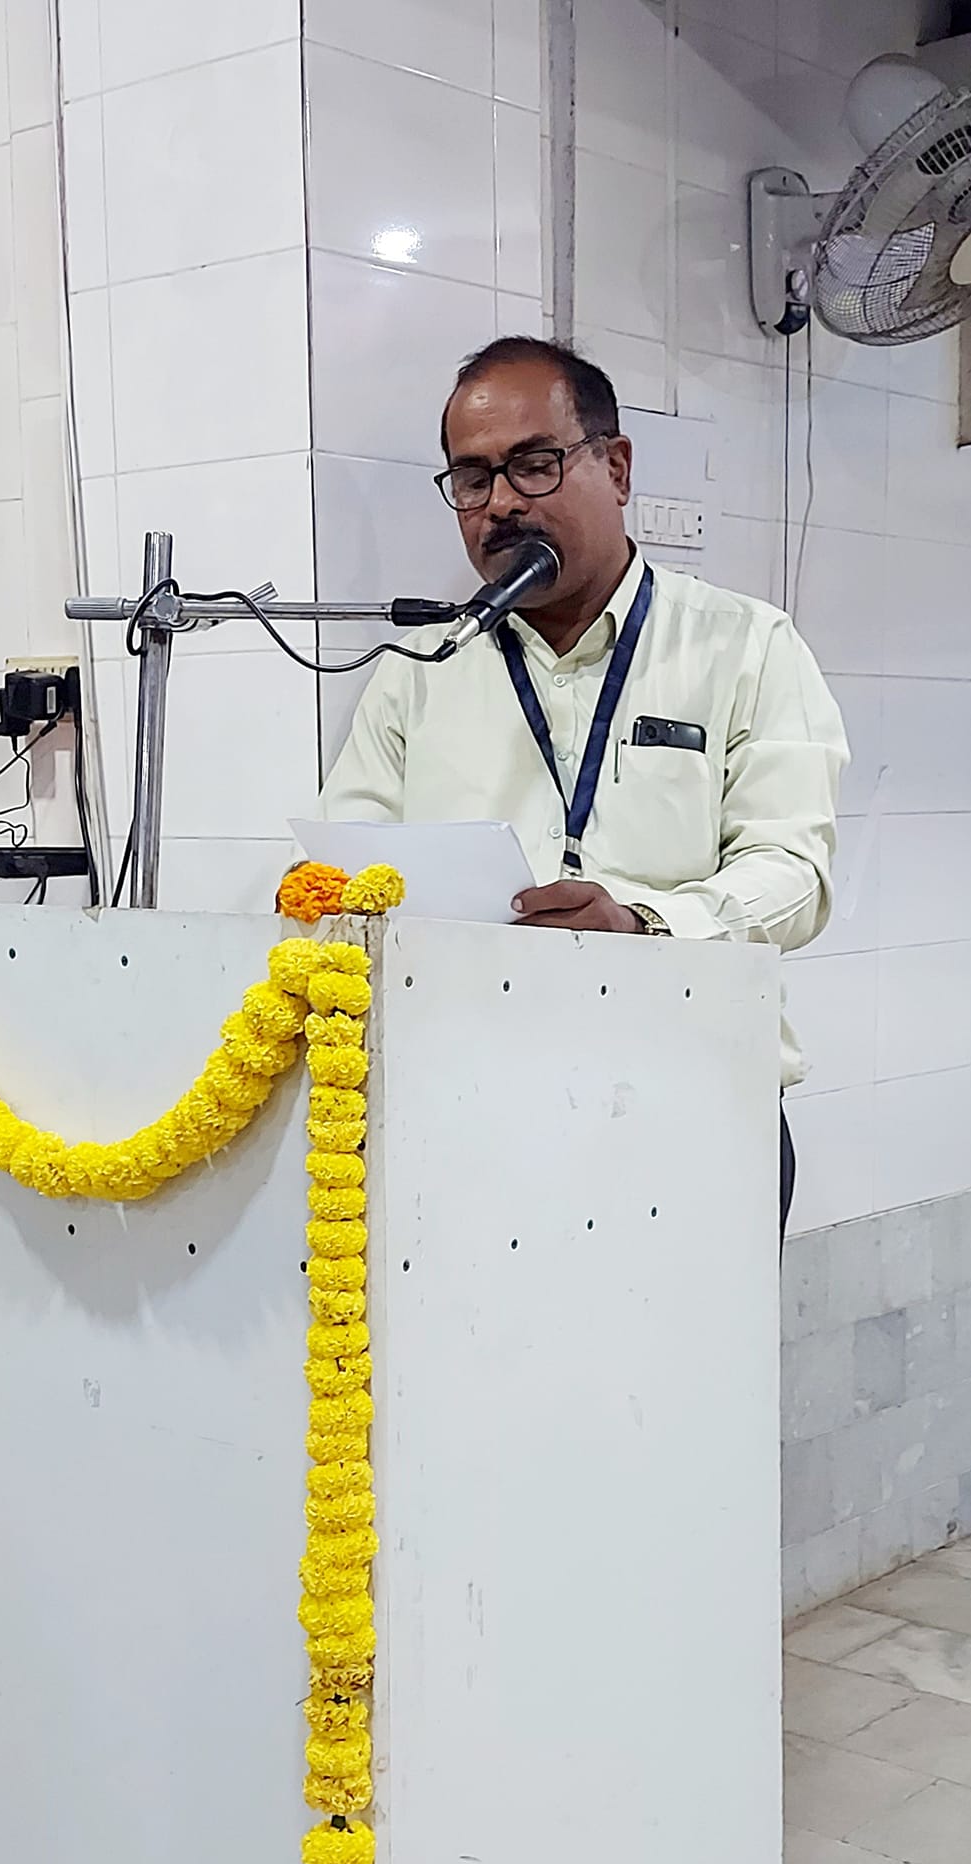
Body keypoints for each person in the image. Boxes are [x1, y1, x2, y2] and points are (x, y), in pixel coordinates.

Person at [320, 336, 848, 1236]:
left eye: (534, 465)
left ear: (618, 467)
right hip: (467, 1109)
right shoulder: (421, 665)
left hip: (692, 1105)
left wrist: (643, 923)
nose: (500, 504)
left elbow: (795, 876)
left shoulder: (746, 646)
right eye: (472, 479)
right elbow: (352, 854)